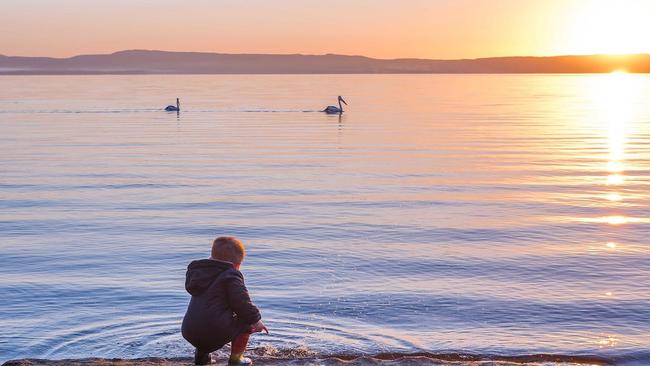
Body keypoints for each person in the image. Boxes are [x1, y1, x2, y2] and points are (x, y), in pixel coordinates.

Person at [182, 237, 268, 365]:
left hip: (189, 330)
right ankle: (236, 359)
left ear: (212, 257)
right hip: (213, 330)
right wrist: (256, 320)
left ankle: (202, 357)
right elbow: (242, 303)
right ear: (236, 265)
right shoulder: (231, 275)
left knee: (206, 315)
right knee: (246, 323)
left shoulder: (200, 273)